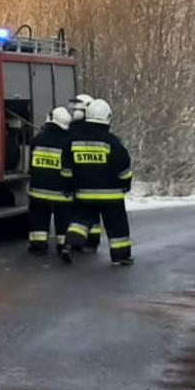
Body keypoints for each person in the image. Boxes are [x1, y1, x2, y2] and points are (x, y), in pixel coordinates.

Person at [64, 98, 134, 266]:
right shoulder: (111, 141)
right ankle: (120, 256)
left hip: (84, 193)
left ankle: (71, 243)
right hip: (111, 196)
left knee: (81, 219)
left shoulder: (74, 140)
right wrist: (126, 183)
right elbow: (123, 164)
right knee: (117, 226)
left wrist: (69, 185)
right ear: (106, 118)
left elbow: (66, 166)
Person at [27, 106, 75, 257]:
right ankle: (62, 244)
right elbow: (68, 168)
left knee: (39, 217)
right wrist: (70, 185)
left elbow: (31, 165)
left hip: (38, 190)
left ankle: (38, 244)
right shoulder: (68, 141)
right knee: (63, 218)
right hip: (60, 191)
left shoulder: (37, 139)